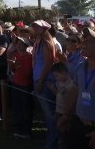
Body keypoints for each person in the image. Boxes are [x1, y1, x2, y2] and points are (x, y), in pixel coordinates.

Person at [67, 27, 95, 149]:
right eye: (84, 40)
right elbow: (74, 92)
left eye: (89, 41)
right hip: (78, 123)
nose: (83, 43)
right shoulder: (80, 67)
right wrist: (66, 115)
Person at [31, 19, 58, 149]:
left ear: (44, 29)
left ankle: (52, 142)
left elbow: (48, 64)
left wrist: (41, 80)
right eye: (34, 26)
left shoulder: (47, 43)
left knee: (50, 113)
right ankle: (50, 139)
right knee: (47, 113)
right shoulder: (38, 42)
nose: (34, 28)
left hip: (45, 80)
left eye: (37, 26)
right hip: (39, 79)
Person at [9, 37, 33, 139]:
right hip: (15, 83)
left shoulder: (30, 57)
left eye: (21, 44)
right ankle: (18, 129)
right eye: (17, 44)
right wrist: (12, 66)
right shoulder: (15, 55)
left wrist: (17, 66)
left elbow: (28, 72)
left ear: (25, 46)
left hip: (25, 85)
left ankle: (26, 131)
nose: (19, 45)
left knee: (25, 108)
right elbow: (13, 70)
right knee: (16, 107)